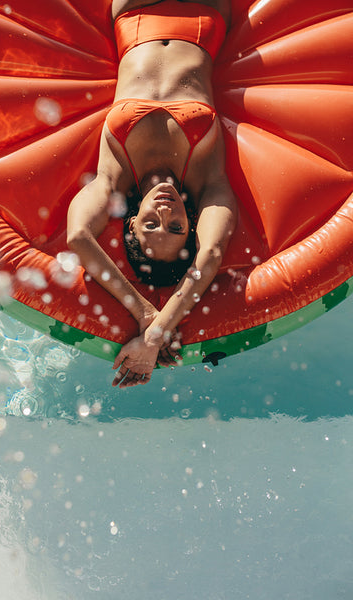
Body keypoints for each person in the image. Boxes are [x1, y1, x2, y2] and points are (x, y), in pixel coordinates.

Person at [67, 0, 238, 388]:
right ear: (191, 223)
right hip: (202, 12)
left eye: (149, 223)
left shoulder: (112, 177)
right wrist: (158, 331)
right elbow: (209, 255)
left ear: (129, 221)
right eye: (176, 226)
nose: (165, 210)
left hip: (136, 11)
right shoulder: (208, 179)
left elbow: (79, 236)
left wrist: (146, 315)